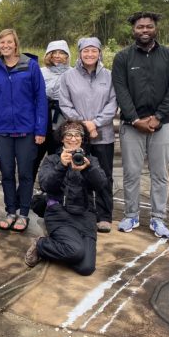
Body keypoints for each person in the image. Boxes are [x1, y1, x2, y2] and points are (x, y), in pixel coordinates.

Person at [112, 12, 169, 238]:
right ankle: (131, 215)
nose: (144, 30)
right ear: (133, 30)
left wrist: (159, 116)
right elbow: (120, 90)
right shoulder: (122, 58)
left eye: (148, 27)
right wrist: (134, 119)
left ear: (155, 29)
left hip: (162, 125)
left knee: (159, 174)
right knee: (131, 173)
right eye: (140, 27)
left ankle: (158, 218)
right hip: (131, 126)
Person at [24, 120, 108, 276]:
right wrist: (61, 166)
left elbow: (101, 184)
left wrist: (88, 169)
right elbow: (46, 185)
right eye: (69, 135)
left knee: (86, 268)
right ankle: (41, 245)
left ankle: (60, 246)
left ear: (83, 139)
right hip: (59, 214)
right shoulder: (52, 160)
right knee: (75, 252)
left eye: (78, 135)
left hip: (85, 216)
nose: (74, 139)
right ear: (62, 138)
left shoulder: (90, 160)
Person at [0, 28, 47, 233]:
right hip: (2, 130)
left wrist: (40, 129)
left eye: (9, 42)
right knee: (7, 174)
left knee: (26, 173)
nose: (5, 46)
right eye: (2, 43)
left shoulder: (30, 66)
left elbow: (40, 100)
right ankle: (10, 211)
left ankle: (23, 213)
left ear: (16, 44)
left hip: (26, 130)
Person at [58, 37, 117, 233]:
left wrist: (96, 123)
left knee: (103, 175)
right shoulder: (69, 76)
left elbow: (113, 103)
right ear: (79, 53)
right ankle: (84, 212)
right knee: (80, 172)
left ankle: (104, 215)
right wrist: (84, 125)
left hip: (103, 135)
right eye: (86, 51)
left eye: (94, 50)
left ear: (99, 53)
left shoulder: (109, 76)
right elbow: (65, 104)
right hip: (78, 135)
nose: (90, 54)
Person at [34, 40, 72, 175]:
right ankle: (25, 192)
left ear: (67, 55)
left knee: (58, 157)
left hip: (62, 119)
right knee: (34, 157)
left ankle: (55, 192)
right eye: (53, 52)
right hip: (42, 119)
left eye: (61, 53)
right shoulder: (40, 72)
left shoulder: (73, 73)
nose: (57, 56)